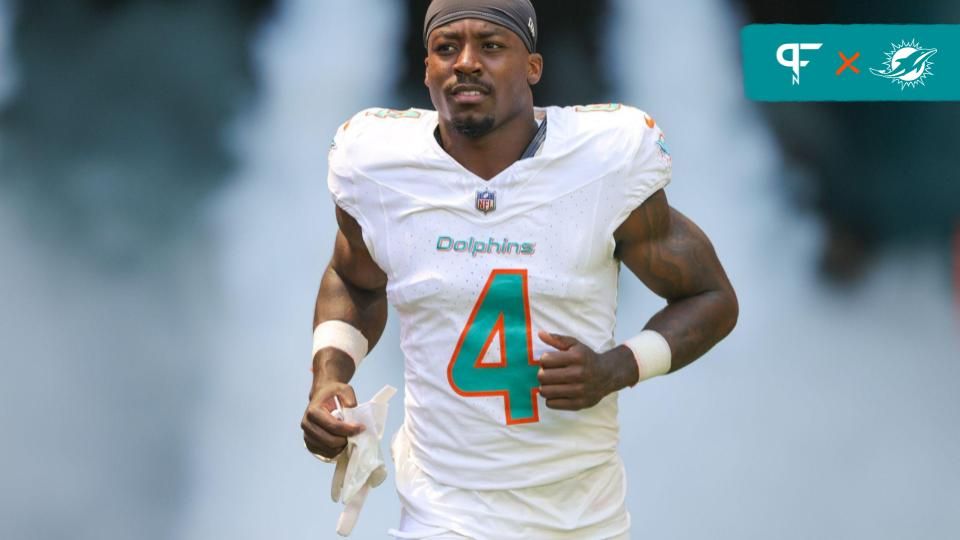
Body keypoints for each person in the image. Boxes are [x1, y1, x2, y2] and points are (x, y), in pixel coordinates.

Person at [301, 0, 739, 538]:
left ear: (532, 67)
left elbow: (710, 297)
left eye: (490, 45)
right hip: (441, 514)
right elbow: (353, 278)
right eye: (446, 48)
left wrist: (620, 366)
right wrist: (330, 377)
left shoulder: (604, 158)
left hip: (581, 518)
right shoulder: (376, 163)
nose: (465, 62)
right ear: (426, 70)